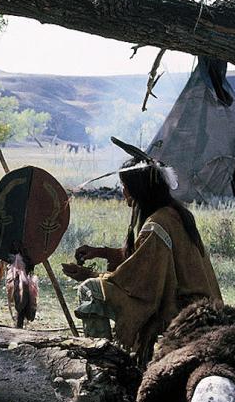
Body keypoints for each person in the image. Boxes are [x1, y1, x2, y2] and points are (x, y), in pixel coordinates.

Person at [62, 138, 223, 367]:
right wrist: (102, 252)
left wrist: (90, 275)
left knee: (90, 290)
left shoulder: (157, 224)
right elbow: (145, 259)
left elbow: (139, 281)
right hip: (203, 306)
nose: (123, 192)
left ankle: (104, 364)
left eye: (125, 187)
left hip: (182, 309)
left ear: (139, 190)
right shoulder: (174, 214)